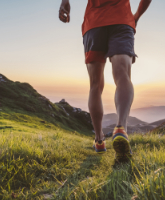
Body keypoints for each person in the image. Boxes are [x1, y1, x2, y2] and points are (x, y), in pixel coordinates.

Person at [59, 0, 151, 161]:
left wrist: (64, 2)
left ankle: (99, 140)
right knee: (122, 75)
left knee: (95, 85)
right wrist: (137, 15)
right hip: (122, 20)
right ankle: (121, 128)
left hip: (93, 24)